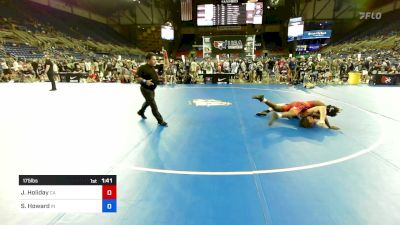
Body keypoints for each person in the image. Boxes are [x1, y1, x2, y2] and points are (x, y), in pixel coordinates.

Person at [252, 95, 340, 129]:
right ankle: (277, 115)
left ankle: (263, 99)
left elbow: (324, 116)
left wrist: (329, 126)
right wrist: (324, 123)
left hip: (296, 105)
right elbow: (323, 111)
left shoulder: (319, 110)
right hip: (301, 106)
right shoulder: (320, 108)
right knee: (292, 113)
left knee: (278, 107)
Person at [136, 52, 168, 126]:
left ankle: (140, 112)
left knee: (148, 102)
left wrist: (160, 78)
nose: (155, 61)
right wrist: (145, 81)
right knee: (153, 105)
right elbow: (137, 78)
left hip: (152, 89)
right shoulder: (142, 68)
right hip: (145, 89)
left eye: (155, 59)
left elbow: (166, 65)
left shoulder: (154, 67)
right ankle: (160, 120)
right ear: (148, 60)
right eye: (153, 59)